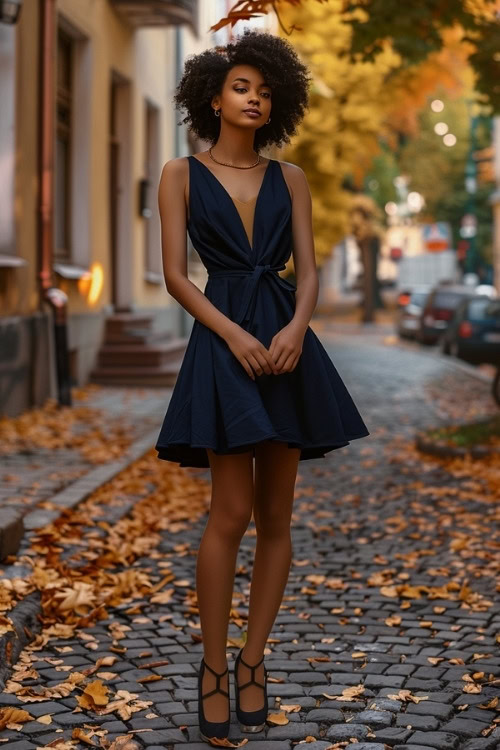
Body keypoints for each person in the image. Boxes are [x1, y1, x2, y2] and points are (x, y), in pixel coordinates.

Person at [155, 28, 370, 746]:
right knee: (230, 512)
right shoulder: (179, 173)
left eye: (265, 91)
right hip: (225, 345)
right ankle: (213, 669)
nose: (254, 98)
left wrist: (294, 329)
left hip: (286, 344)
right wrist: (234, 335)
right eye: (242, 87)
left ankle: (254, 663)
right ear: (213, 97)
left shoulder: (293, 179)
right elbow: (177, 277)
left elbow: (306, 271)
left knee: (278, 517)